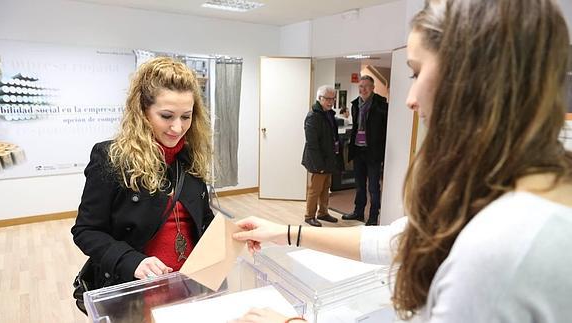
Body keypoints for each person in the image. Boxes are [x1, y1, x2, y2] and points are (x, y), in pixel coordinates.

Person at [231, 0, 572, 322]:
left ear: (474, 79)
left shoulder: (503, 247)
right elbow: (400, 240)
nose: (410, 98)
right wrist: (286, 232)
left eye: (415, 72)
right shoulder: (515, 188)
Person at [71, 57, 214, 288]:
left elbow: (204, 220)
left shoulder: (190, 157)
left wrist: (229, 237)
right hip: (135, 288)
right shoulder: (111, 158)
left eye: (186, 116)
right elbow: (86, 231)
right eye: (166, 116)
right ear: (142, 111)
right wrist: (131, 261)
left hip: (189, 283)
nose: (178, 128)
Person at [342, 75, 389, 226]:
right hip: (358, 150)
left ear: (373, 87)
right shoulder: (355, 104)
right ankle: (358, 212)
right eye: (361, 87)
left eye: (366, 86)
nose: (363, 89)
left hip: (373, 152)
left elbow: (385, 129)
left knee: (373, 186)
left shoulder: (381, 105)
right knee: (360, 185)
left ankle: (374, 215)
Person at [301, 85, 340, 227]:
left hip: (329, 158)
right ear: (320, 98)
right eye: (327, 99)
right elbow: (312, 143)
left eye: (333, 99)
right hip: (318, 160)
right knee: (315, 189)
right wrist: (319, 165)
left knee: (326, 187)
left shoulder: (329, 114)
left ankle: (323, 213)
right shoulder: (313, 116)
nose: (331, 102)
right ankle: (309, 216)